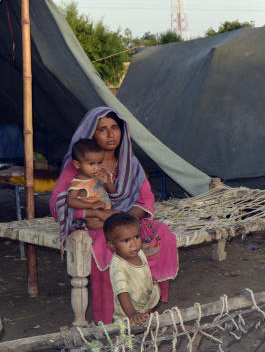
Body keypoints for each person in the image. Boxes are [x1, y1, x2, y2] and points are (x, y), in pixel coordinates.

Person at [51, 107, 178, 324]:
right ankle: (111, 319)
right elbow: (58, 203)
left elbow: (146, 200)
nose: (111, 135)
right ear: (92, 133)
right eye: (103, 129)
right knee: (109, 244)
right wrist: (101, 215)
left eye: (115, 128)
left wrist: (124, 220)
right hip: (96, 224)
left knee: (161, 233)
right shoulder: (82, 165)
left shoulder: (130, 164)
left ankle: (145, 306)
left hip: (127, 221)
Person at [104, 212, 159, 326]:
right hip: (127, 318)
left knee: (145, 334)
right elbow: (122, 293)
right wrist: (132, 314)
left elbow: (141, 271)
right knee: (129, 341)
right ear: (112, 246)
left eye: (136, 237)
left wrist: (149, 279)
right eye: (126, 240)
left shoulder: (138, 253)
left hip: (143, 307)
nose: (134, 244)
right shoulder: (119, 267)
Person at [65, 139, 115, 230]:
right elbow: (71, 201)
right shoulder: (78, 183)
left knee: (122, 215)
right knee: (115, 224)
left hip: (106, 213)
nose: (97, 168)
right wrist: (91, 205)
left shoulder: (98, 176)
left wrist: (107, 182)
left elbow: (112, 191)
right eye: (91, 164)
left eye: (99, 163)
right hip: (92, 219)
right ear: (77, 164)